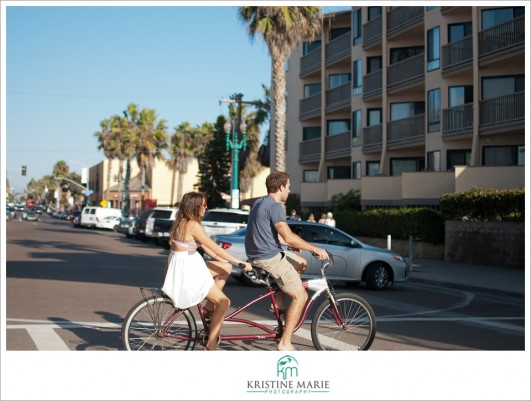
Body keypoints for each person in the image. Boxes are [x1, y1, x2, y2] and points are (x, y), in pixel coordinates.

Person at [245, 171, 329, 351]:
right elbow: (288, 236)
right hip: (269, 258)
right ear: (280, 187)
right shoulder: (275, 206)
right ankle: (285, 343)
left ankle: (279, 302)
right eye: (288, 187)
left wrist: (291, 245)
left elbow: (269, 234)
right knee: (301, 296)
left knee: (300, 263)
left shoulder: (259, 203)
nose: (289, 191)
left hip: (259, 254)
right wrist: (315, 249)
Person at [161, 191, 252, 351]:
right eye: (204, 205)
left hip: (184, 267)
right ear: (195, 206)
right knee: (224, 302)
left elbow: (210, 250)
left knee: (226, 268)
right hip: (189, 269)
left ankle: (209, 308)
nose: (206, 207)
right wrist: (240, 261)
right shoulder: (193, 225)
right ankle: (210, 344)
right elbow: (214, 246)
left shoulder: (182, 222)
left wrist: (228, 261)